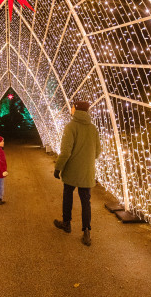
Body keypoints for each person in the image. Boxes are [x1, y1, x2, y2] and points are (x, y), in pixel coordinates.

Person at [53, 100, 101, 246]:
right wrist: (86, 160)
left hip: (72, 170)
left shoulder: (71, 127)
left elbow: (66, 152)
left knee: (68, 195)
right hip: (87, 171)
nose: (71, 109)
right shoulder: (93, 128)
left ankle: (66, 223)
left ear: (77, 109)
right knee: (86, 201)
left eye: (72, 107)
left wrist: (58, 168)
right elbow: (97, 152)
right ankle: (86, 232)